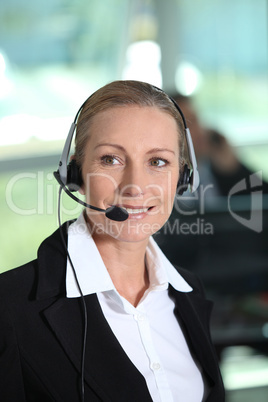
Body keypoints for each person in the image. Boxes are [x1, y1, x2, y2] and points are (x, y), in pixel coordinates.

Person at [0, 80, 225, 402]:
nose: (135, 186)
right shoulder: (9, 308)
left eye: (158, 161)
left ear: (184, 178)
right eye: (111, 159)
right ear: (74, 173)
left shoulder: (188, 292)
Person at [169, 92, 268, 197]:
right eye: (188, 124)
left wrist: (234, 169)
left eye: (197, 120)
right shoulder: (168, 184)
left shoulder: (213, 167)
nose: (199, 130)